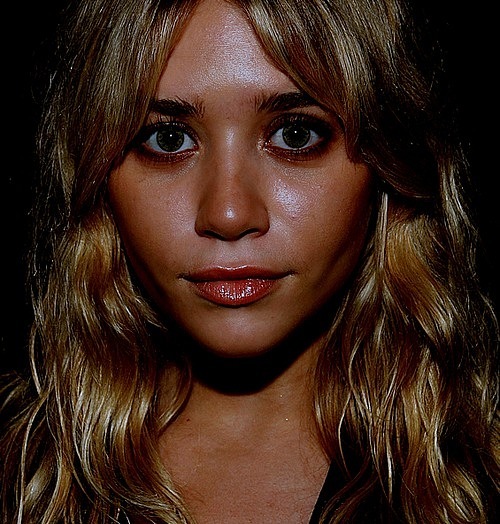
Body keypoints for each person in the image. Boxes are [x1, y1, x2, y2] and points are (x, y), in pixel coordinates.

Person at [1, 0, 498, 522]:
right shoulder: (21, 479)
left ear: (387, 164)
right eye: (168, 139)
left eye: (295, 134)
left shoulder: (477, 477)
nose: (229, 213)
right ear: (98, 178)